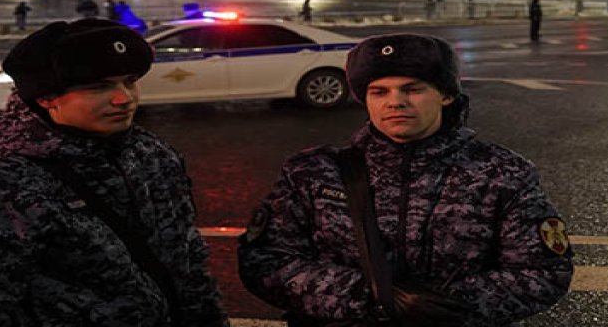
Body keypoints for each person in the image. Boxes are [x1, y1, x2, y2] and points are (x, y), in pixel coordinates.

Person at [0, 19, 228, 325]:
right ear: (47, 98)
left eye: (129, 82)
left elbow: (189, 269)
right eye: (99, 87)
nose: (123, 98)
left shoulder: (152, 156)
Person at [238, 34, 573, 326]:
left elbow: (543, 270)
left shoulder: (501, 173)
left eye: (412, 89)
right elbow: (265, 261)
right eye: (379, 91)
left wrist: (449, 308)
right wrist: (378, 298)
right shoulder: (312, 173)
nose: (394, 101)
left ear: (446, 95)